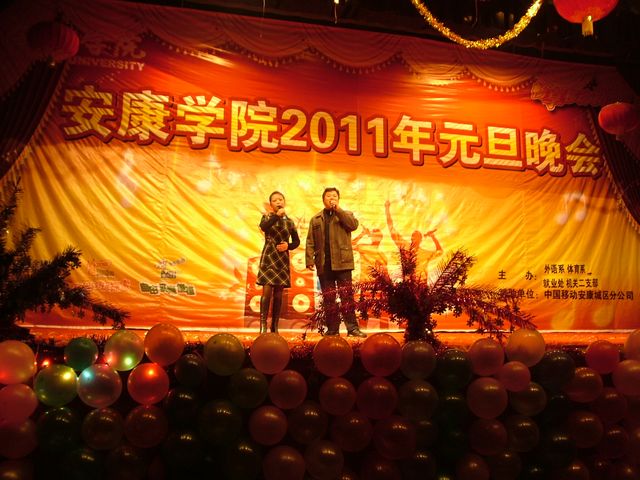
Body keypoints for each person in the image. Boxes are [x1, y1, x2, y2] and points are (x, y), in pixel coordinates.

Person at [305, 187, 367, 338]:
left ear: (338, 199)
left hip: (343, 262)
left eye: (334, 196)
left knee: (347, 297)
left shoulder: (346, 215)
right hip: (324, 264)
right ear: (323, 200)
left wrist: (338, 210)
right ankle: (333, 330)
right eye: (328, 196)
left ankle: (352, 328)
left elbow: (353, 225)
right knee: (329, 299)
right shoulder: (316, 219)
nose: (331, 198)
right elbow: (310, 241)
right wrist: (309, 259)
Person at [256, 191, 300, 334]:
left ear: (284, 202)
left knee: (279, 295)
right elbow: (264, 227)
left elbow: (297, 241)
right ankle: (263, 326)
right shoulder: (267, 217)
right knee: (267, 291)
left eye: (280, 199)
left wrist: (288, 246)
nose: (278, 202)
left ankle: (274, 326)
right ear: (271, 204)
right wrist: (277, 216)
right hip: (269, 257)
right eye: (275, 200)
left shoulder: (290, 222)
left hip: (282, 259)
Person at [385, 199, 443, 276]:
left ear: (421, 240)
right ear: (411, 238)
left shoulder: (424, 253)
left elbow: (439, 252)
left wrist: (433, 237)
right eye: (414, 235)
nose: (415, 238)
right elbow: (391, 228)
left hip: (421, 282)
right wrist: (387, 209)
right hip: (407, 282)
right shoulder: (404, 245)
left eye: (418, 236)